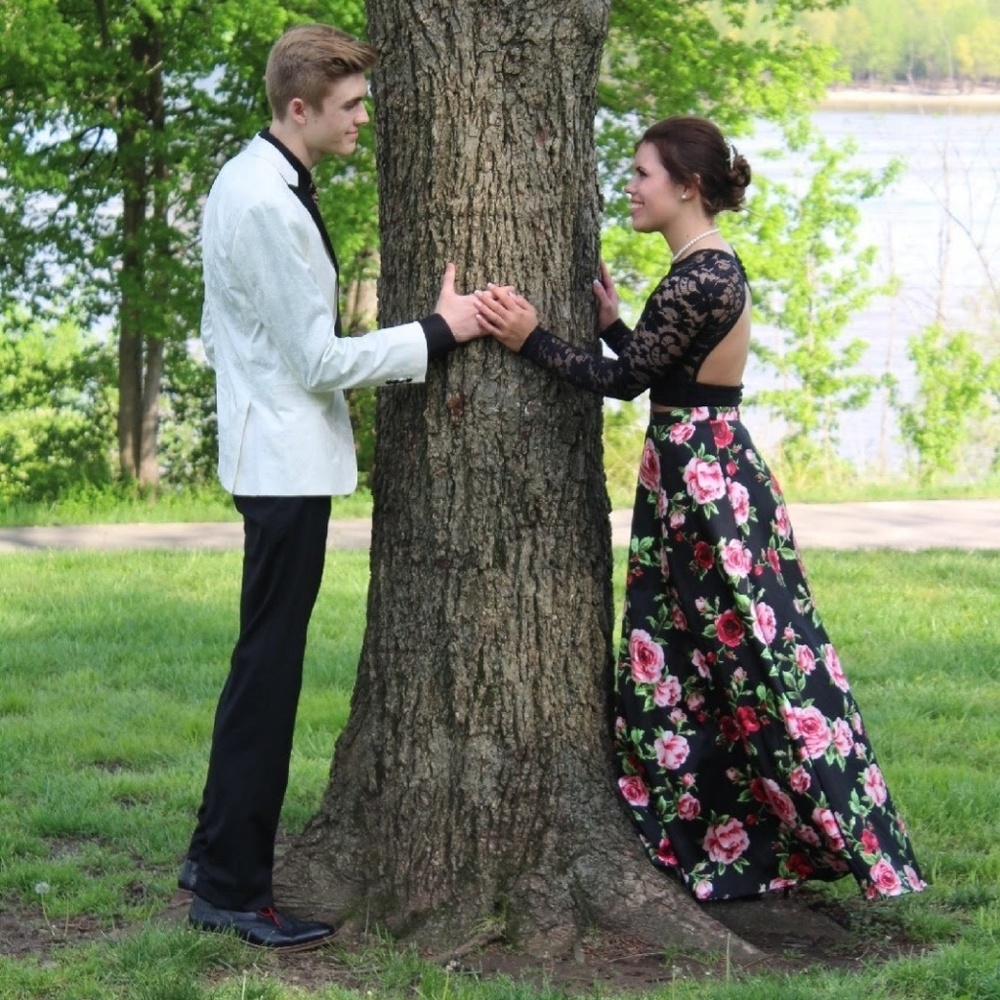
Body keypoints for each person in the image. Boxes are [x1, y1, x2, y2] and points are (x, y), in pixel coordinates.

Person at [474, 116, 925, 903]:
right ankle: (713, 840)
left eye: (642, 172)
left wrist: (527, 337)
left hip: (706, 485)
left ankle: (821, 837)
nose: (631, 186)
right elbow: (659, 365)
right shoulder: (699, 268)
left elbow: (624, 384)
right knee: (696, 656)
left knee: (748, 657)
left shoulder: (700, 277)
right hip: (699, 472)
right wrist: (616, 323)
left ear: (686, 185)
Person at [181, 24, 484, 950]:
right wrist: (438, 331)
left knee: (258, 668)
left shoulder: (255, 176)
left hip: (270, 455)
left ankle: (212, 859)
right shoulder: (265, 203)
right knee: (267, 677)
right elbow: (314, 359)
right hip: (279, 468)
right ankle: (233, 889)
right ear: (300, 107)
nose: (365, 121)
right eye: (351, 107)